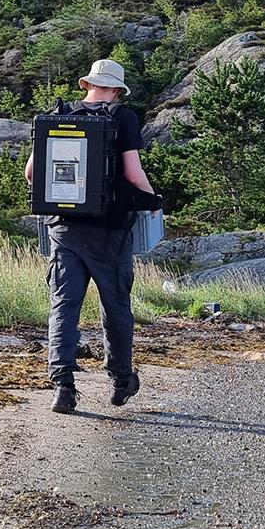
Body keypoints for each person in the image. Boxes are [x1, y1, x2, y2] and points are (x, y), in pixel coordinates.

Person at [24, 58, 159, 414]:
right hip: (110, 232)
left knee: (64, 306)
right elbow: (133, 174)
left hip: (63, 229)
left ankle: (63, 388)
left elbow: (31, 174)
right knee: (115, 308)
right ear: (117, 90)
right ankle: (120, 381)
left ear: (88, 85)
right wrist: (155, 202)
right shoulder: (122, 117)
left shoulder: (57, 116)